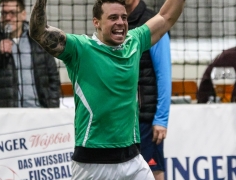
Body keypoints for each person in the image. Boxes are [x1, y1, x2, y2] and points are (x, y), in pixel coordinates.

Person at [30, 0, 184, 179]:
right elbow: (38, 32)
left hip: (132, 159)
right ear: (96, 22)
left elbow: (166, 16)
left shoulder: (134, 41)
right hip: (93, 164)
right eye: (113, 18)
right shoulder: (80, 48)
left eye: (123, 17)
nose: (120, 22)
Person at [0, 0, 61, 108]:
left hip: (38, 114)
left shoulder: (38, 40)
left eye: (12, 13)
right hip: (4, 117)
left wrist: (52, 107)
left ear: (23, 14)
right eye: (4, 13)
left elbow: (53, 76)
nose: (8, 18)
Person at [126, 0, 171, 179]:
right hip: (124, 121)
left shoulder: (153, 21)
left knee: (154, 173)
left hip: (146, 119)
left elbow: (164, 74)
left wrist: (161, 119)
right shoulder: (116, 23)